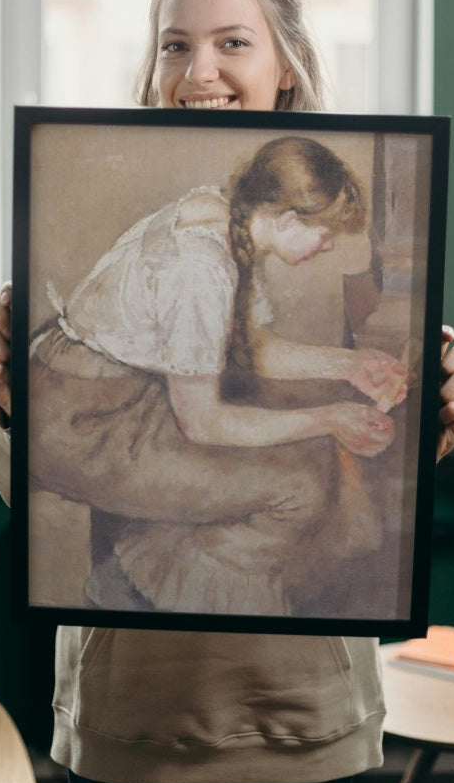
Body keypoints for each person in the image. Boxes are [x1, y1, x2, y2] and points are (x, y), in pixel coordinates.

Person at [0, 0, 454, 783]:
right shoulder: (199, 254)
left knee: (307, 464)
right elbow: (193, 415)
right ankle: (152, 580)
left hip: (292, 702)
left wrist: (388, 398)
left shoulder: (229, 213)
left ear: (286, 62)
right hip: (136, 685)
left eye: (232, 43)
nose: (197, 69)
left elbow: (250, 353)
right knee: (299, 477)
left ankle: (190, 578)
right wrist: (14, 410)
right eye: (174, 43)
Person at [27, 134, 407, 619]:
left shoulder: (228, 218)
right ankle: (146, 589)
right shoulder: (202, 268)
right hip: (83, 424)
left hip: (119, 396)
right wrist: (332, 417)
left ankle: (167, 579)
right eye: (327, 233)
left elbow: (253, 349)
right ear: (289, 220)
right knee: (299, 488)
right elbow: (203, 424)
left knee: (305, 451)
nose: (329, 246)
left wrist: (351, 365)